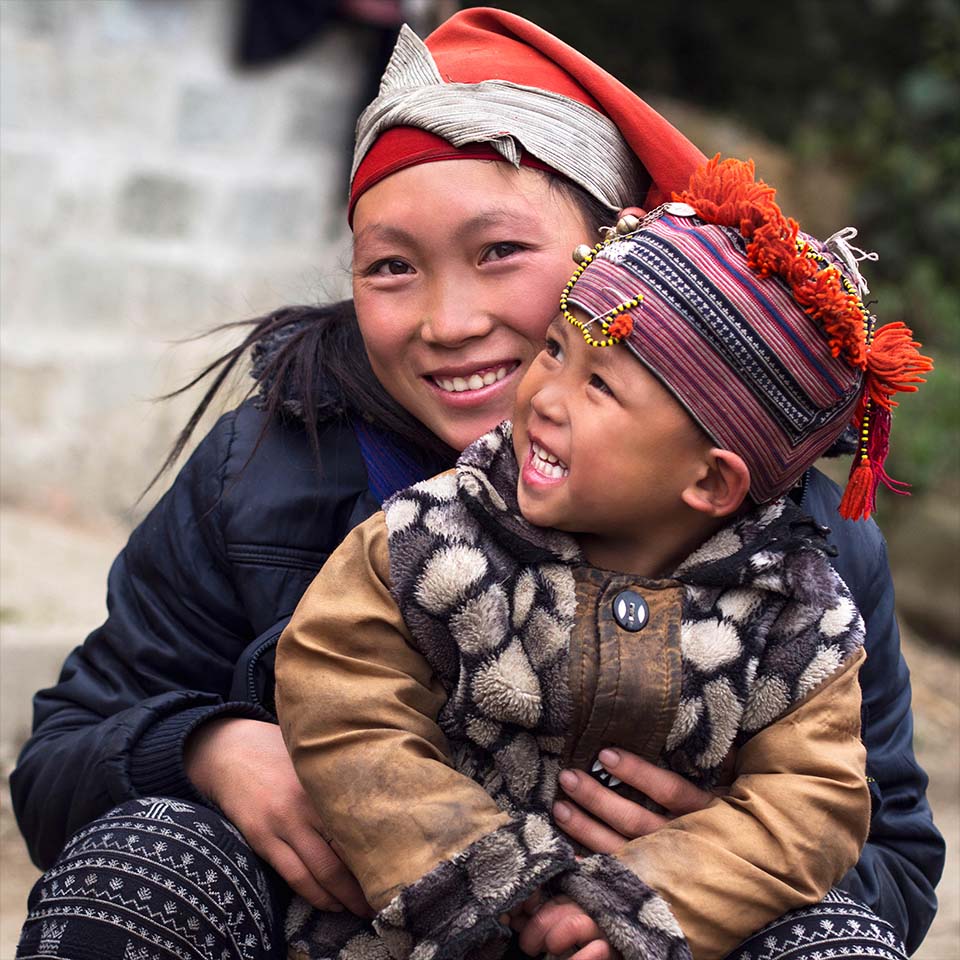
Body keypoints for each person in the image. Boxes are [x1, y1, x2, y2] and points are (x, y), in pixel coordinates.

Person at [10, 8, 942, 960]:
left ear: (612, 259)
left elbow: (896, 865)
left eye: (500, 253)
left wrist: (718, 856)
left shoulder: (798, 552)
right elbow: (57, 762)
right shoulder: (265, 476)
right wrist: (208, 752)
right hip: (335, 935)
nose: (449, 322)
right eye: (390, 268)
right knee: (144, 862)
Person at [274, 156, 930, 960]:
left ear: (710, 479)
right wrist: (473, 875)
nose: (545, 395)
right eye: (555, 349)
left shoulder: (799, 617)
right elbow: (339, 690)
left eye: (601, 387)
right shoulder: (433, 531)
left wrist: (645, 903)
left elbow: (812, 807)